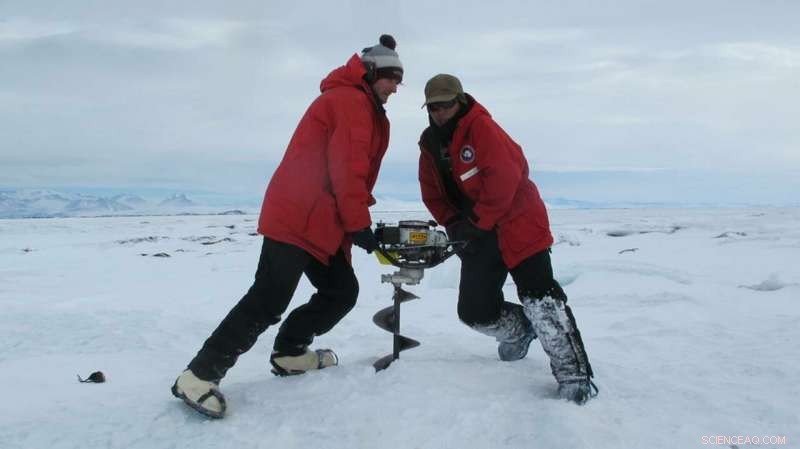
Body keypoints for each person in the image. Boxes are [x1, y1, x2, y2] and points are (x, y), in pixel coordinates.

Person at [171, 35, 404, 419]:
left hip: (322, 220)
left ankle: (291, 352)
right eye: (391, 78)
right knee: (269, 297)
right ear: (372, 72)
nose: (396, 87)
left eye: (399, 80)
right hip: (298, 215)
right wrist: (359, 225)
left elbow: (350, 177)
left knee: (340, 290)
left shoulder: (361, 103)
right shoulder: (350, 102)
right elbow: (347, 171)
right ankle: (198, 375)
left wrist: (352, 225)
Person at [417, 74, 597, 404]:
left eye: (445, 105)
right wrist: (455, 224)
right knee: (474, 310)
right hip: (477, 233)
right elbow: (433, 194)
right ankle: (520, 329)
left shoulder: (482, 129)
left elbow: (505, 179)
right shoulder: (430, 146)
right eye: (433, 107)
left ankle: (574, 375)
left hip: (518, 223)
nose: (440, 112)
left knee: (541, 298)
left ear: (460, 101)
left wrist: (476, 221)